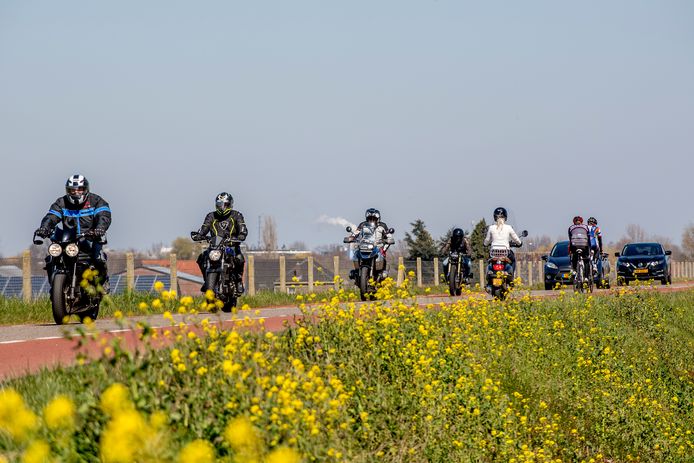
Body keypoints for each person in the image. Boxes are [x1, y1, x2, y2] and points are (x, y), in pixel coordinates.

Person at [34, 174, 112, 292]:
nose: (76, 193)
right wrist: (44, 228)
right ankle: (56, 287)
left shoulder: (96, 201)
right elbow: (51, 217)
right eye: (72, 190)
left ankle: (103, 282)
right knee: (51, 258)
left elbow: (104, 216)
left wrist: (100, 228)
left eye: (79, 189)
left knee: (98, 258)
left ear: (86, 189)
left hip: (90, 238)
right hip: (68, 240)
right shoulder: (61, 202)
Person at [192, 192, 247, 294]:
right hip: (215, 245)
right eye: (219, 205)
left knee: (239, 258)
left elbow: (242, 228)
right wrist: (199, 235)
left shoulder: (237, 215)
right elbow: (204, 228)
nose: (222, 207)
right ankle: (207, 281)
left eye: (225, 205)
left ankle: (239, 281)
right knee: (201, 258)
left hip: (231, 245)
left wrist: (241, 235)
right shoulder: (211, 216)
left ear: (230, 204)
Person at [347, 208, 394, 280]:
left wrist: (389, 240)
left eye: (373, 218)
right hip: (364, 246)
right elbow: (356, 233)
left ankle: (382, 273)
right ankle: (356, 273)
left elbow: (388, 235)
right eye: (370, 218)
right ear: (367, 218)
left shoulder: (382, 226)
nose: (372, 220)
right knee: (356, 253)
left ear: (377, 219)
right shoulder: (362, 225)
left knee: (381, 255)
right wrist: (351, 237)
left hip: (378, 247)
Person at [483, 207, 522, 274]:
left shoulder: (491, 228)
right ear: (505, 217)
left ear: (495, 217)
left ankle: (490, 272)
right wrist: (519, 243)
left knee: (489, 261)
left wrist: (485, 244)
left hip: (493, 253)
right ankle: (511, 274)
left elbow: (487, 241)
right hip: (505, 253)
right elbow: (516, 239)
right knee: (513, 260)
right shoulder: (508, 227)